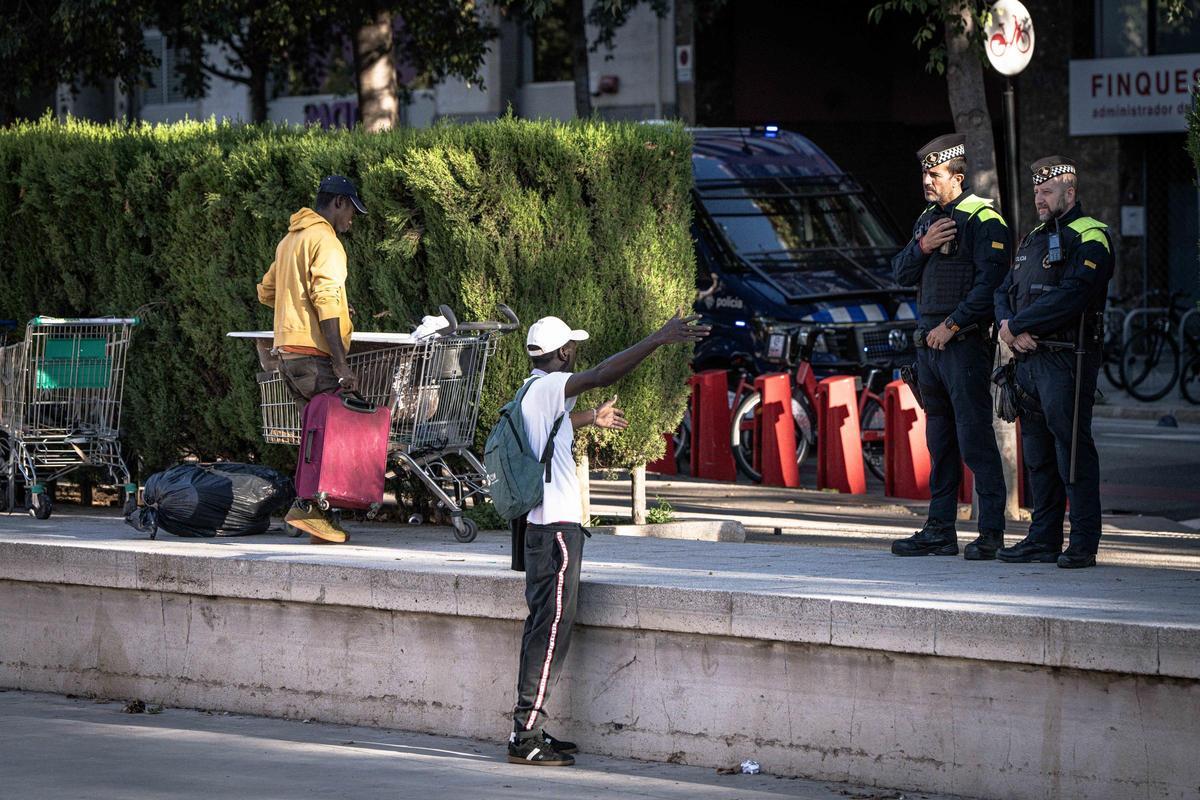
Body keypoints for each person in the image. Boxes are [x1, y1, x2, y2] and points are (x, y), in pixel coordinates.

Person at [507, 312, 709, 766]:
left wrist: (589, 420)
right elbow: (602, 374)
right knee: (550, 632)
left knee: (543, 627)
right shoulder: (548, 387)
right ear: (562, 353)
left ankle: (529, 726)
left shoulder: (532, 391)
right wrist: (656, 339)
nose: (575, 353)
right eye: (571, 348)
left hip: (542, 530)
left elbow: (553, 428)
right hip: (555, 532)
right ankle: (524, 734)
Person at [890, 134, 1012, 560]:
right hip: (928, 347)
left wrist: (953, 325)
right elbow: (900, 272)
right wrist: (923, 246)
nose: (927, 179)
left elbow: (990, 287)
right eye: (924, 172)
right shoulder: (926, 219)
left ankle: (992, 533)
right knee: (940, 445)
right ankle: (940, 530)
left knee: (975, 440)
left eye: (935, 173)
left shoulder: (984, 219)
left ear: (957, 177)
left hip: (963, 346)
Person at [994, 157, 1113, 569]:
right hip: (1028, 360)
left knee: (1072, 453)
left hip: (1067, 360)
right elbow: (1004, 290)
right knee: (1038, 456)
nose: (1039, 199)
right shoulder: (1033, 238)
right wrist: (1008, 327)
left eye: (1047, 192)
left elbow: (1073, 295)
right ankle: (1042, 539)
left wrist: (1020, 325)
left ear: (1070, 193)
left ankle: (1082, 543)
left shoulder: (1091, 236)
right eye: (1036, 192)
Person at [256, 175, 367, 544]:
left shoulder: (290, 239)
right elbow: (324, 298)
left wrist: (300, 305)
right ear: (338, 203)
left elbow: (267, 292)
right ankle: (310, 508)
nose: (352, 219)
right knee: (332, 434)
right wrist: (340, 363)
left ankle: (315, 520)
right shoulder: (326, 241)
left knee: (316, 434)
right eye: (352, 210)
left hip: (287, 353)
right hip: (314, 355)